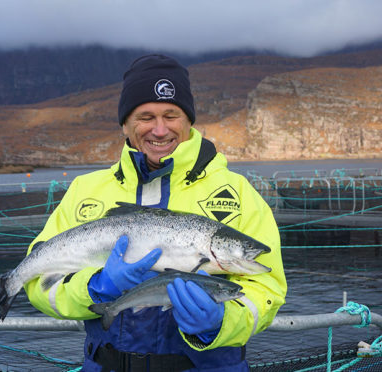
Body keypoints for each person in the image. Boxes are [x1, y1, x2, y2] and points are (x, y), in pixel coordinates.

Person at [24, 54, 287, 371]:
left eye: (171, 115)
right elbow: (39, 280)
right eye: (145, 116)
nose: (160, 130)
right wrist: (94, 287)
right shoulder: (84, 190)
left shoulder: (239, 192)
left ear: (189, 120)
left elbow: (267, 289)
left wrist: (220, 321)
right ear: (125, 123)